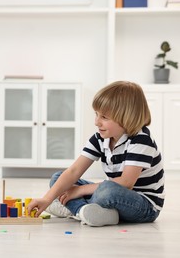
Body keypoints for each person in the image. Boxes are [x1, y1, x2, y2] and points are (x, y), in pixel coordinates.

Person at [27, 81, 165, 227]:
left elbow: (126, 183)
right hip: (111, 195)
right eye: (96, 114)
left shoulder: (141, 139)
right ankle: (85, 211)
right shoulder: (100, 137)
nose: (96, 122)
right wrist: (46, 199)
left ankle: (73, 209)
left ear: (127, 117)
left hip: (144, 206)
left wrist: (80, 190)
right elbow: (74, 171)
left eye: (104, 117)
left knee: (106, 191)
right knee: (58, 178)